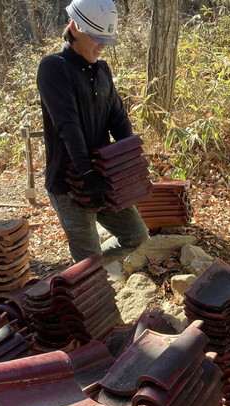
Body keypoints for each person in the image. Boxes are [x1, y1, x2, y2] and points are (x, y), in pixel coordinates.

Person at [36, 0, 149, 264]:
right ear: (75, 27)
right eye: (96, 37)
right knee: (88, 264)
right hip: (69, 183)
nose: (102, 45)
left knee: (136, 236)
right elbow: (67, 124)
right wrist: (86, 174)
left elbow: (118, 118)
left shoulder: (102, 70)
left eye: (106, 39)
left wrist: (129, 165)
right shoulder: (54, 68)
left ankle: (79, 276)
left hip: (103, 176)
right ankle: (82, 281)